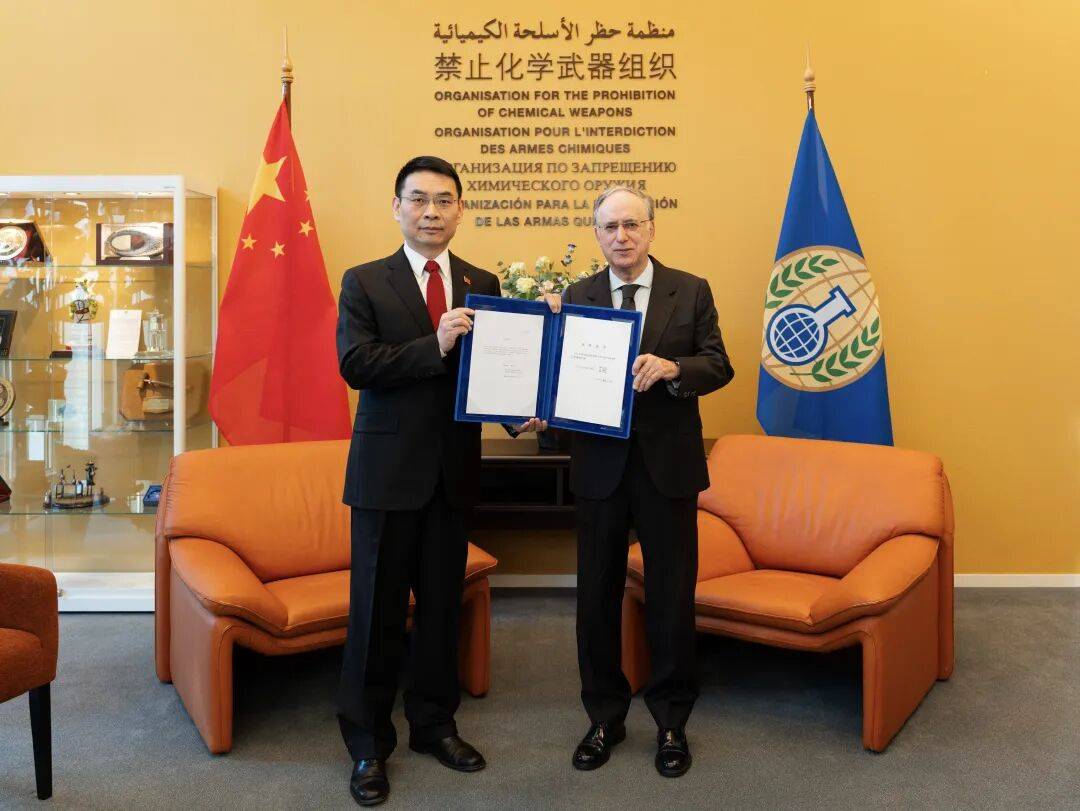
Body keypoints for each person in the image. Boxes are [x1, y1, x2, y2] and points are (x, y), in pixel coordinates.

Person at [335, 155, 543, 806]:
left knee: (440, 613)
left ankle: (433, 725)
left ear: (460, 209)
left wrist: (519, 413)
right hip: (386, 477)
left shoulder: (482, 282)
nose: (432, 211)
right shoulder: (364, 281)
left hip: (452, 476)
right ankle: (368, 743)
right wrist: (437, 343)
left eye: (444, 200)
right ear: (397, 207)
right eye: (419, 199)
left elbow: (493, 374)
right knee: (376, 614)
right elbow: (356, 363)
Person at [541, 185, 734, 777]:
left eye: (631, 225)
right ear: (596, 235)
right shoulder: (576, 295)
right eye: (609, 227)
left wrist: (674, 368)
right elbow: (559, 377)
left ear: (652, 229)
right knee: (595, 599)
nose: (620, 236)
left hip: (667, 469)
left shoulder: (690, 290)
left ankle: (672, 721)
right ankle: (604, 717)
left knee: (671, 599)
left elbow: (718, 364)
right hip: (599, 468)